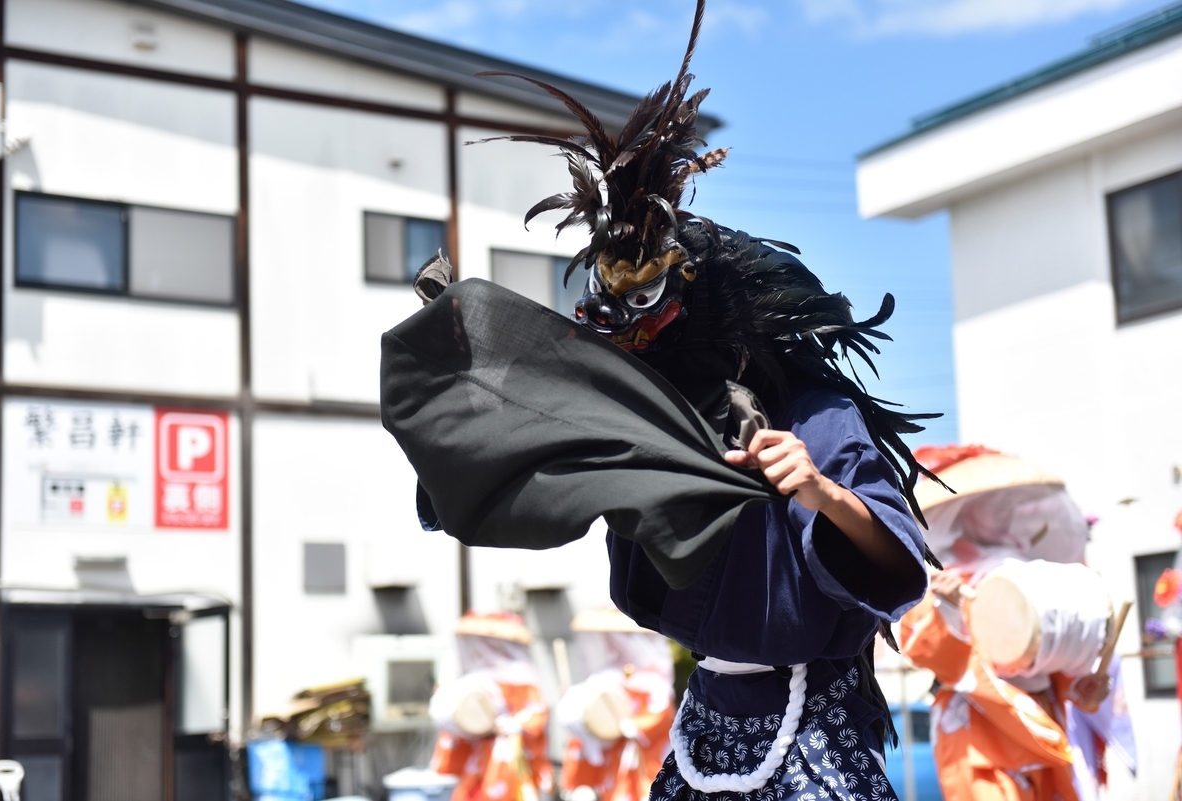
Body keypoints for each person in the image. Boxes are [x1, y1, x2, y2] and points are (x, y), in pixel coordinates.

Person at [385, 1, 941, 798]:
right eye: (607, 305)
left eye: (642, 300)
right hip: (705, 711)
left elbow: (898, 558)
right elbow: (539, 438)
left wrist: (819, 488)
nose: (619, 324)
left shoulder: (812, 411)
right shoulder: (639, 413)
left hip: (812, 716)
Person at [901, 445, 1134, 801]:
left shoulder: (1027, 565)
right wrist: (946, 608)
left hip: (1042, 708)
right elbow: (922, 641)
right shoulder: (937, 572)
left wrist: (1079, 687)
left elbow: (1055, 643)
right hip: (978, 714)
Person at [429, 612, 554, 801]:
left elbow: (536, 715)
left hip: (510, 760)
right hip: (477, 762)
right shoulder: (469, 682)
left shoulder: (522, 681)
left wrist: (512, 725)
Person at [558, 608, 676, 801]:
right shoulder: (608, 675)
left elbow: (660, 715)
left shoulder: (655, 680)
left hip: (642, 753)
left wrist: (632, 726)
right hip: (614, 752)